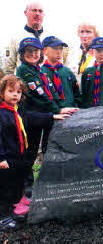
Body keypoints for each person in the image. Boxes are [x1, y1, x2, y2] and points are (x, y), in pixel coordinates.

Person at [16, 37, 78, 204]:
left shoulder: (39, 71)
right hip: (32, 119)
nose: (33, 54)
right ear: (22, 54)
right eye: (29, 51)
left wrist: (60, 106)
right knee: (29, 154)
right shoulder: (24, 71)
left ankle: (46, 186)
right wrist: (57, 109)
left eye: (35, 51)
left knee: (46, 149)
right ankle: (24, 191)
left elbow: (51, 93)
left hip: (45, 117)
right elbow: (39, 97)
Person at [0, 74, 69, 218]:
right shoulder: (2, 113)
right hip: (6, 157)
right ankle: (7, 214)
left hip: (18, 155)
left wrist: (51, 116)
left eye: (18, 92)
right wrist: (1, 158)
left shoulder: (18, 110)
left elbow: (32, 117)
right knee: (7, 185)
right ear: (2, 93)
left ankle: (18, 201)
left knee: (19, 179)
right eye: (11, 91)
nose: (15, 95)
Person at [5, 2, 48, 74]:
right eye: (34, 10)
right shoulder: (15, 38)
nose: (37, 14)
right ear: (25, 13)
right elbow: (8, 66)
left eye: (40, 11)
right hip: (23, 82)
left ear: (43, 14)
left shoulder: (51, 38)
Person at [41, 36, 81, 107]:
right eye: (55, 48)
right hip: (52, 113)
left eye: (61, 48)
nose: (59, 51)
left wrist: (76, 106)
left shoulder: (67, 71)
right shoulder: (41, 72)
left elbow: (76, 93)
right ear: (45, 51)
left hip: (71, 111)